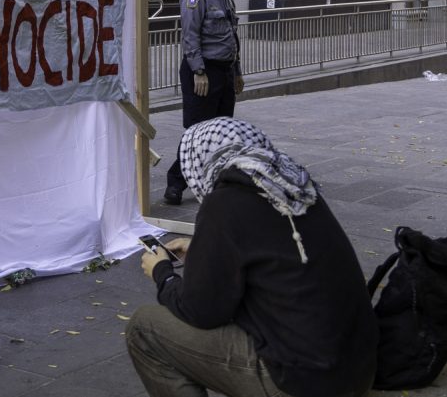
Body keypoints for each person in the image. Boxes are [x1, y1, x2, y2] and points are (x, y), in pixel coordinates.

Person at [128, 118, 377, 397]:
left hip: (306, 380)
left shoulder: (224, 202)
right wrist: (205, 248)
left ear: (198, 161)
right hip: (357, 366)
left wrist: (163, 272)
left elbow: (201, 311)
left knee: (144, 328)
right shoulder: (289, 185)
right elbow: (265, 248)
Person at [166, 0, 244, 205]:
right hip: (203, 72)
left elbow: (231, 36)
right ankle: (175, 183)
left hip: (223, 71)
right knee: (197, 132)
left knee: (220, 132)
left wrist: (237, 71)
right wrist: (199, 71)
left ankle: (215, 182)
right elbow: (190, 37)